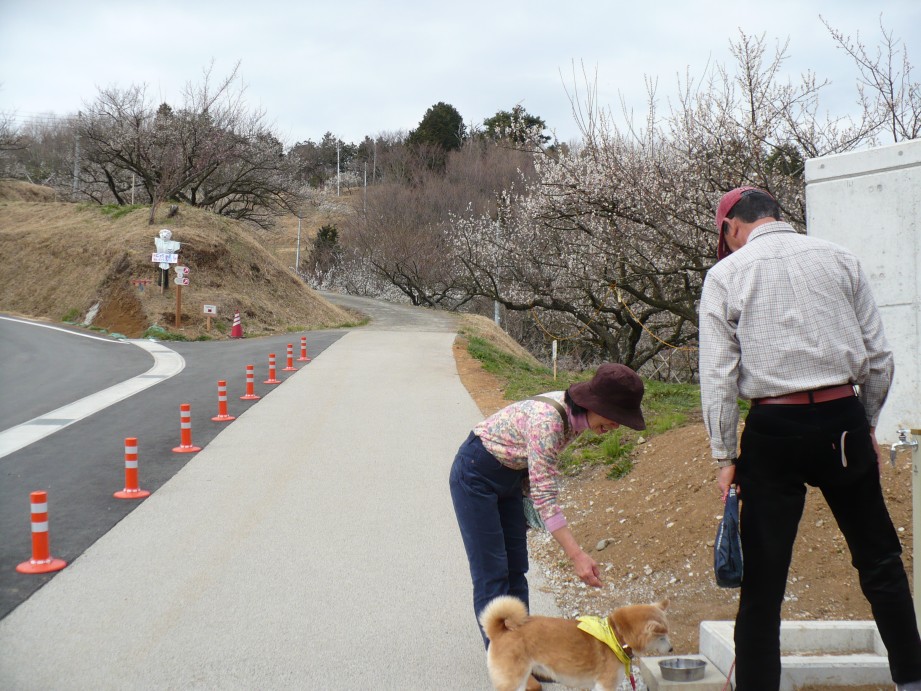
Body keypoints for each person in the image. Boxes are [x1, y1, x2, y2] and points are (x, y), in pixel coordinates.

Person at [698, 186, 921, 690]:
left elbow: (718, 376)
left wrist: (723, 454)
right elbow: (880, 359)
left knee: (763, 581)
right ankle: (912, 680)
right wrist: (864, 426)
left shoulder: (726, 275)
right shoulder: (842, 259)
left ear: (732, 226)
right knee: (880, 559)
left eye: (725, 237)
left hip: (773, 429)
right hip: (843, 420)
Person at [449, 363, 646, 689]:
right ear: (594, 405)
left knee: (516, 568)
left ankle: (529, 651)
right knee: (492, 571)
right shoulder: (549, 422)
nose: (615, 425)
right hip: (475, 474)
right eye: (614, 417)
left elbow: (536, 480)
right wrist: (577, 555)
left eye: (620, 420)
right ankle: (507, 660)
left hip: (511, 480)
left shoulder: (576, 421)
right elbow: (545, 495)